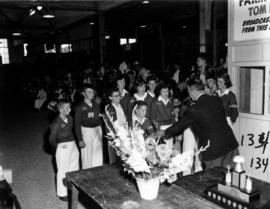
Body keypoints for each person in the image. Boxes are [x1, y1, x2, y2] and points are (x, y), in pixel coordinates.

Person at [157, 78, 239, 169]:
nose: (189, 95)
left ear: (192, 90)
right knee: (234, 177)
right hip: (230, 144)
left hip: (214, 151)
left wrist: (163, 132)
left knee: (214, 179)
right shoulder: (216, 99)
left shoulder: (194, 109)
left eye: (188, 91)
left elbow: (180, 125)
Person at [49, 99, 79, 201]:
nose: (69, 109)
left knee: (74, 167)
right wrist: (58, 148)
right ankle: (62, 193)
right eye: (66, 108)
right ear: (60, 109)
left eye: (70, 107)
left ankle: (72, 188)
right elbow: (51, 139)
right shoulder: (56, 123)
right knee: (62, 170)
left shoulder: (70, 118)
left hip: (72, 144)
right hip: (62, 146)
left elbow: (71, 131)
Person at [74, 84, 103, 169]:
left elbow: (99, 118)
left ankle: (97, 172)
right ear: (83, 93)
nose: (91, 93)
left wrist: (100, 131)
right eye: (89, 91)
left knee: (98, 154)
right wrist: (80, 139)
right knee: (87, 156)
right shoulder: (80, 107)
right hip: (87, 131)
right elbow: (77, 124)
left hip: (97, 130)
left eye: (92, 91)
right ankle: (87, 175)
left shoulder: (96, 104)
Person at [104, 87, 128, 163]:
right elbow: (109, 125)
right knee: (114, 161)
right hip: (115, 137)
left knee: (125, 159)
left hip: (124, 135)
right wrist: (115, 137)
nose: (118, 97)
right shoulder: (109, 108)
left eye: (119, 95)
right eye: (116, 96)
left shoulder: (122, 105)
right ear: (110, 98)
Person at [150, 83, 174, 150]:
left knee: (170, 146)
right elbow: (153, 118)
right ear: (159, 92)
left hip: (170, 126)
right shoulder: (155, 102)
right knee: (162, 148)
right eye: (163, 91)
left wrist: (174, 127)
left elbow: (173, 116)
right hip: (161, 127)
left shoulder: (170, 102)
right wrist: (157, 129)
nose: (166, 93)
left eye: (167, 91)